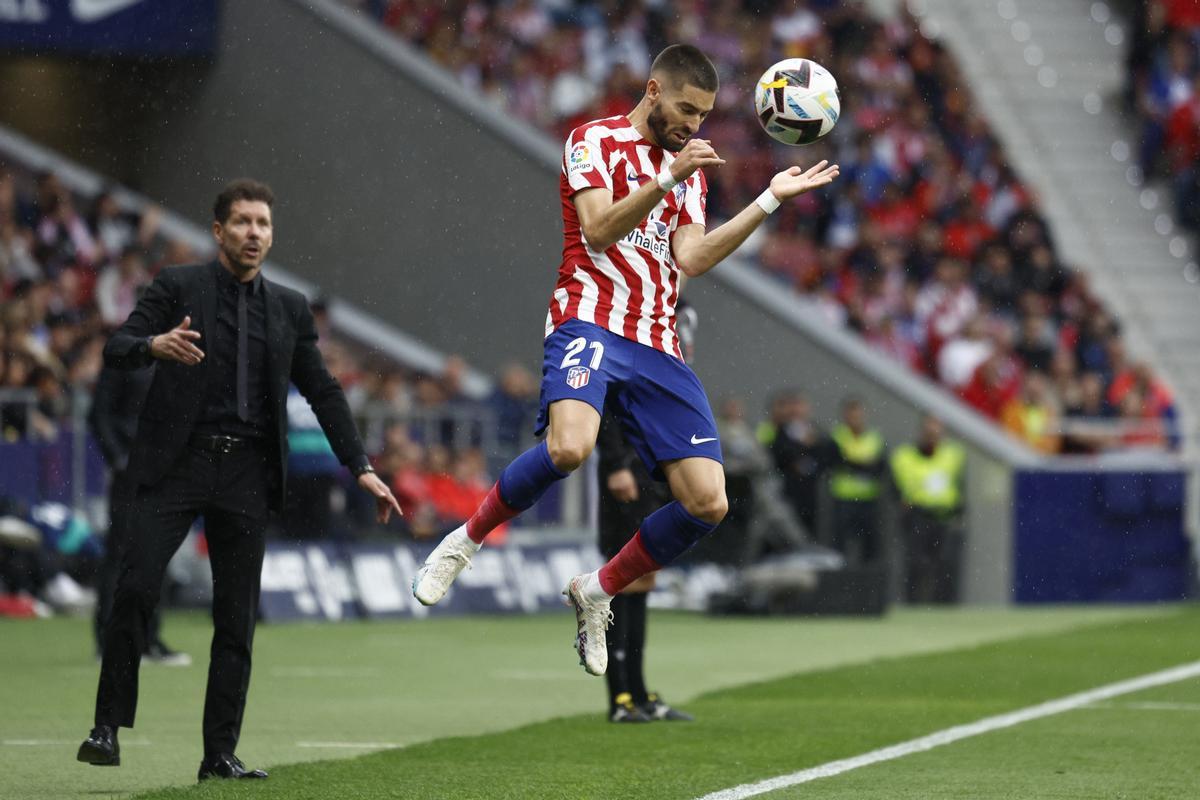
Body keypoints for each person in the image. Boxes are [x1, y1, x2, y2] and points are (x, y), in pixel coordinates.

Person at [411, 44, 839, 675]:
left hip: (657, 339)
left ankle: (598, 590)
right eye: (686, 110)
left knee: (709, 502)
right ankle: (465, 539)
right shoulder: (593, 141)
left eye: (703, 116)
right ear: (652, 92)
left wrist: (768, 200)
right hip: (588, 317)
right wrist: (665, 179)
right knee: (570, 447)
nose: (694, 126)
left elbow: (691, 259)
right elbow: (598, 232)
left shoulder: (689, 169)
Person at [76, 179, 402, 780]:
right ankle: (106, 727)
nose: (255, 233)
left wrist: (361, 467)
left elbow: (324, 391)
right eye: (244, 222)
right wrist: (154, 344)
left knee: (236, 617)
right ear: (219, 229)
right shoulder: (177, 287)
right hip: (177, 465)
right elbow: (116, 348)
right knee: (136, 589)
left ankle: (218, 755)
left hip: (247, 472)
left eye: (264, 224)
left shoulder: (289, 308)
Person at [596, 302, 698, 723]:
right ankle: (619, 695)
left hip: (652, 470)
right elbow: (605, 400)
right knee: (624, 580)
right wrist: (616, 462)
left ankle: (638, 691)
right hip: (629, 469)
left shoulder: (672, 317)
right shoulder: (628, 325)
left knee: (644, 577)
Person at [89, 357, 191, 666]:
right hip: (131, 469)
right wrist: (119, 458)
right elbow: (99, 414)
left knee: (157, 551)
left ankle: (147, 638)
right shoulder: (125, 353)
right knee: (121, 551)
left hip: (164, 468)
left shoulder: (176, 356)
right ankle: (110, 640)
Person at [889, 414, 966, 603]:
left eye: (936, 431)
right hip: (918, 516)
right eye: (929, 431)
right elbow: (894, 487)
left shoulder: (952, 455)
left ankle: (944, 608)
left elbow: (959, 485)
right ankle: (913, 605)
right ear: (921, 432)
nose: (933, 435)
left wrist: (959, 512)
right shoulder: (904, 456)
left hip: (945, 517)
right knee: (916, 565)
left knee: (946, 567)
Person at [828, 397, 886, 566]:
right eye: (851, 414)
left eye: (858, 414)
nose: (855, 418)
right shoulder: (837, 436)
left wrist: (852, 462)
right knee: (840, 544)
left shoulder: (874, 437)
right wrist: (864, 463)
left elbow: (879, 467)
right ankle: (839, 581)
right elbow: (837, 461)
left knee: (869, 546)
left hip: (868, 499)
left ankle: (866, 586)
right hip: (843, 498)